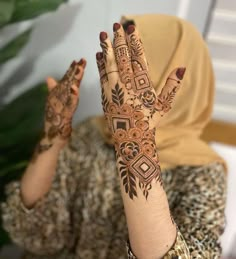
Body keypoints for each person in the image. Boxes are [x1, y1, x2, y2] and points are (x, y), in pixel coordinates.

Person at [1, 14, 227, 259]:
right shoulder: (93, 132)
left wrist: (135, 145)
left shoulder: (202, 172)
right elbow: (34, 234)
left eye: (138, 60)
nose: (121, 71)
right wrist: (52, 139)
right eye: (124, 59)